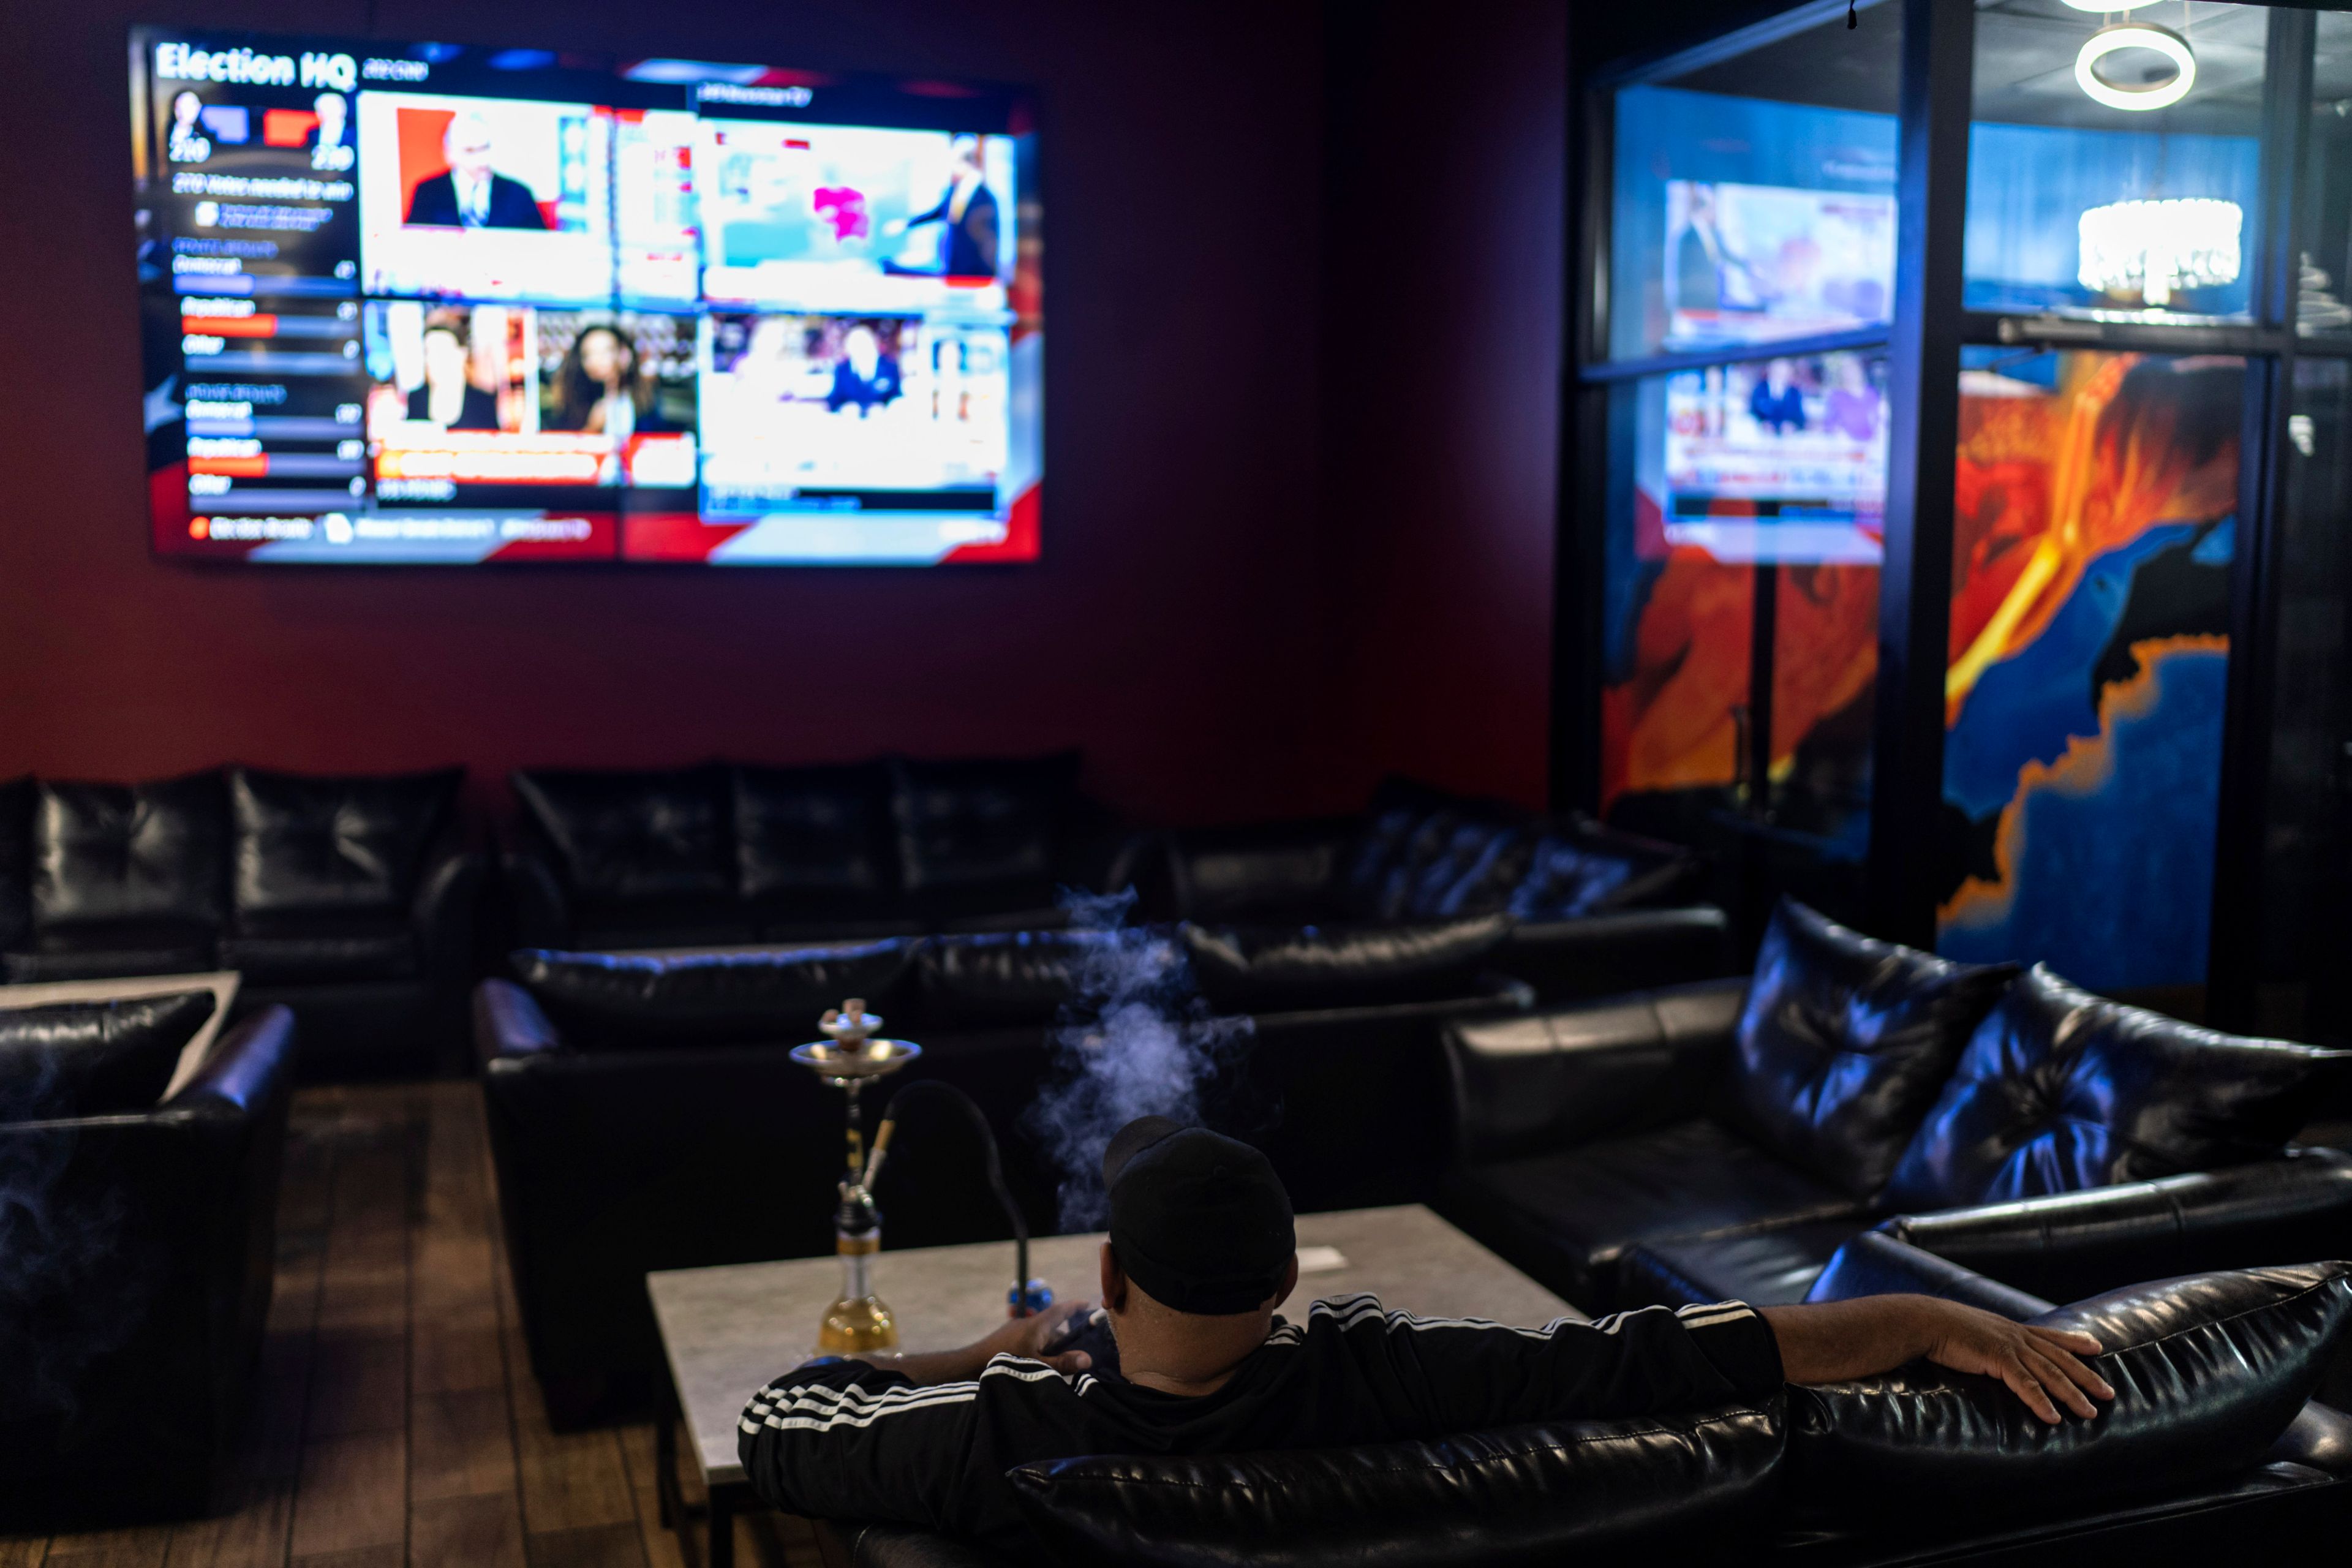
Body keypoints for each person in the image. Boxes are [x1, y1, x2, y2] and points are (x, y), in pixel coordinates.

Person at [739, 1117, 2112, 1553]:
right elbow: (1698, 1349)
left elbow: (784, 1416)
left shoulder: (1010, 1437)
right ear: (1286, 1278)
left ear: (1108, 1270)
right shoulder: (1393, 1373)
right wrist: (1933, 1311)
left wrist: (978, 1353)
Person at [405, 112, 549, 230]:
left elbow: (539, 247)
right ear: (450, 154)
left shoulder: (518, 194)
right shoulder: (428, 191)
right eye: (470, 151)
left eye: (485, 148)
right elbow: (414, 243)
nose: (482, 159)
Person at [885, 135, 1000, 277]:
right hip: (953, 259)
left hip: (975, 267)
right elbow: (938, 213)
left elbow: (989, 240)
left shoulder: (986, 198)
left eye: (956, 162)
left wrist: (988, 272)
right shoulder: (954, 191)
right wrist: (906, 224)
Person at [549, 323, 668, 437]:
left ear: (624, 354)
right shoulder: (573, 398)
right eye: (588, 354)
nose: (596, 361)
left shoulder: (645, 397)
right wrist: (593, 428)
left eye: (605, 352)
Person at [405, 318, 500, 430]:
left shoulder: (483, 402)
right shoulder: (416, 399)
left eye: (440, 351)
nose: (431, 359)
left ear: (461, 354)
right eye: (428, 351)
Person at [826, 324, 903, 414]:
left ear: (874, 343)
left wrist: (886, 409)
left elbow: (897, 398)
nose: (860, 348)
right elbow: (834, 400)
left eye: (864, 342)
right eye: (854, 344)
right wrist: (844, 408)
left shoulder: (889, 367)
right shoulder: (842, 370)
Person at [1750, 357, 1807, 434]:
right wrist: (1762, 424)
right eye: (1777, 370)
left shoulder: (1795, 393)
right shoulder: (1759, 390)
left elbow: (1800, 419)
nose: (1781, 374)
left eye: (1784, 371)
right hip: (1763, 436)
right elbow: (1752, 413)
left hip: (1788, 437)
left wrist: (1793, 426)